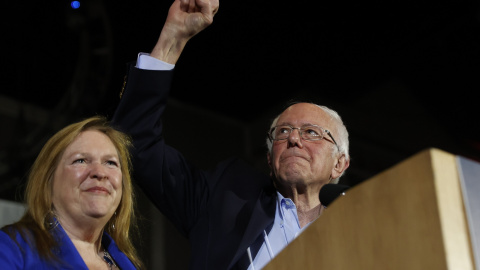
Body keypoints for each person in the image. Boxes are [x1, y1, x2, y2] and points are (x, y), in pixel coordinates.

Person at [112, 0, 350, 269]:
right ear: (270, 160)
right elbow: (135, 143)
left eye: (311, 132)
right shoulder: (227, 196)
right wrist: (173, 38)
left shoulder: (363, 225)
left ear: (340, 163)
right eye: (282, 132)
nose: (294, 139)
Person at [0, 116, 144, 269]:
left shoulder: (128, 263)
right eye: (80, 160)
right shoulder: (12, 248)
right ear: (48, 182)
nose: (100, 172)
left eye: (110, 163)